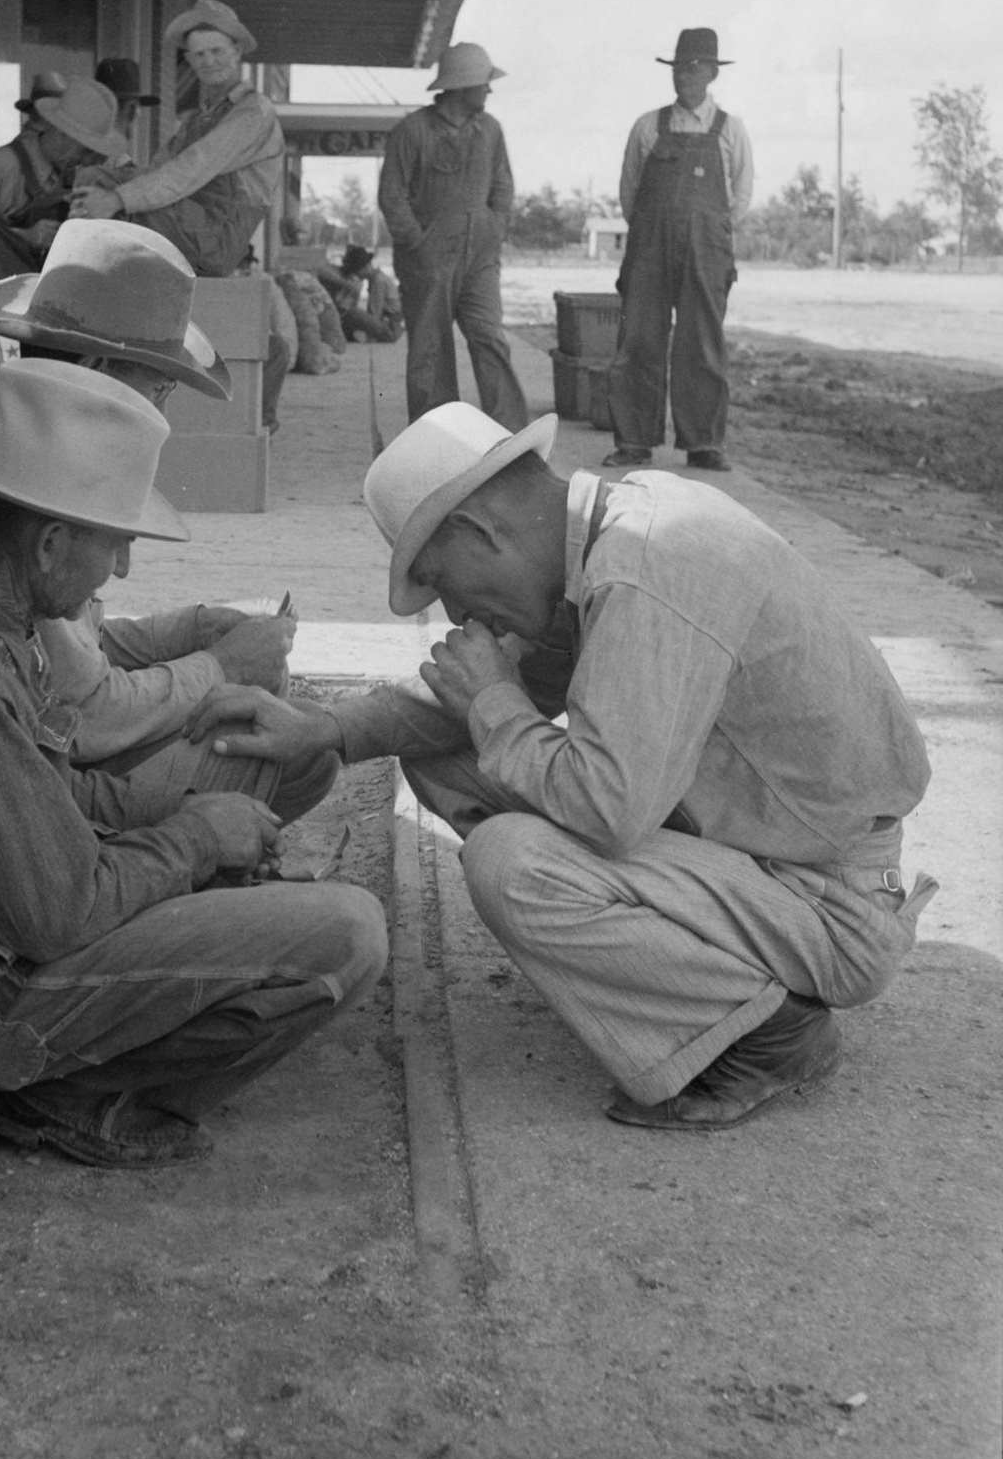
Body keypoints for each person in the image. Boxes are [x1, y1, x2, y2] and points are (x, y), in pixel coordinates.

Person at [185, 404, 939, 1133]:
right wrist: (322, 730)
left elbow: (609, 812)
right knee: (450, 752)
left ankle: (770, 1029)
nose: (454, 615)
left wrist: (495, 703)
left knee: (513, 864)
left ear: (481, 532)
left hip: (831, 902)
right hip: (767, 852)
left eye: (446, 585)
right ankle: (645, 965)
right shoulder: (609, 534)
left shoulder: (651, 567)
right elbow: (463, 708)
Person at [0, 358, 388, 1168]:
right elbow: (59, 914)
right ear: (51, 544)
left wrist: (187, 818)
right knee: (346, 934)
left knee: (261, 775)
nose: (126, 569)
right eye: (118, 544)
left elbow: (50, 791)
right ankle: (58, 1097)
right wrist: (197, 840)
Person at [0, 218, 327, 804]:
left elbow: (69, 649)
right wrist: (220, 665)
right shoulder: (25, 486)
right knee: (294, 748)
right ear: (98, 375)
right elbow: (86, 714)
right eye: (159, 388)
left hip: (13, 749)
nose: (161, 413)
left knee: (282, 722)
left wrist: (189, 631)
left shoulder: (16, 452)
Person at [604, 27, 754, 472]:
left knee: (702, 343)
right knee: (638, 340)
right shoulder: (647, 126)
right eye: (678, 69)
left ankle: (703, 444)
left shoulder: (731, 130)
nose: (683, 77)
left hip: (706, 251)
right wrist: (654, 231)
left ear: (711, 73)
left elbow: (741, 197)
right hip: (649, 250)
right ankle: (633, 442)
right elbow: (629, 190)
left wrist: (709, 232)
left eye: (693, 69)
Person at [69, 0, 284, 279]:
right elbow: (160, 169)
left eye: (216, 51)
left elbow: (191, 169)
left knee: (103, 191)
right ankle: (82, 282)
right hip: (193, 224)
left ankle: (78, 282)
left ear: (237, 51)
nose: (208, 62)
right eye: (199, 54)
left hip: (217, 238)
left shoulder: (253, 112)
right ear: (190, 59)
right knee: (94, 177)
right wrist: (117, 177)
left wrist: (116, 198)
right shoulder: (202, 117)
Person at [379, 42, 527, 429]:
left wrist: (495, 229)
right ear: (461, 86)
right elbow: (391, 195)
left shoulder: (490, 130)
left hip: (480, 256)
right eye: (483, 83)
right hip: (427, 260)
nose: (489, 91)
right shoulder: (412, 131)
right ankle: (437, 437)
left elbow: (503, 185)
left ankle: (509, 436)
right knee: (431, 350)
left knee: (489, 336)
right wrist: (417, 242)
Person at [0, 78, 128, 287]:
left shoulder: (61, 173)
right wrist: (26, 236)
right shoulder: (4, 165)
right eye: (85, 149)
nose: (87, 158)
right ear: (61, 134)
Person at [331, 245, 402, 344]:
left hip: (390, 328)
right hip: (389, 325)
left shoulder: (378, 281)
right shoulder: (375, 279)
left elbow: (375, 312)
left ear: (365, 267)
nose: (356, 275)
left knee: (352, 313)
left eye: (356, 271)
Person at [94, 56, 159, 146]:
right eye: (138, 107)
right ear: (132, 110)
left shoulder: (76, 147)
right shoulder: (116, 157)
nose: (139, 113)